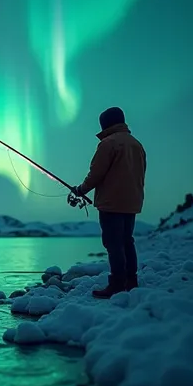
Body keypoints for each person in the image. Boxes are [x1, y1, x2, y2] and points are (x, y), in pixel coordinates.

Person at [73, 107, 146, 299]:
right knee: (126, 241)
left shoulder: (108, 143)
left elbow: (96, 173)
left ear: (106, 123)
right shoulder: (136, 144)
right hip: (132, 201)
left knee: (113, 243)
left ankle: (117, 284)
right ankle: (131, 281)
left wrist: (81, 189)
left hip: (112, 202)